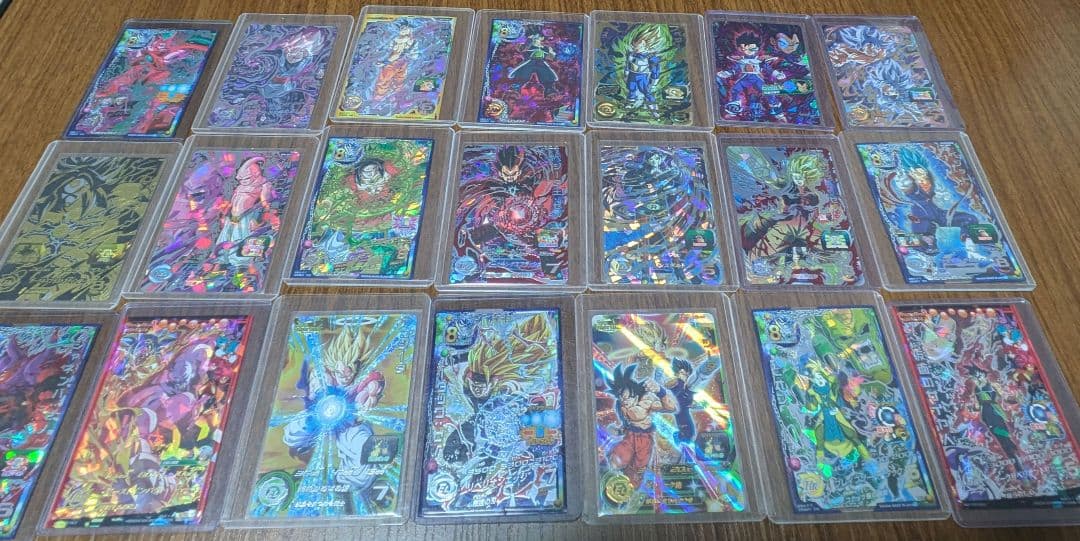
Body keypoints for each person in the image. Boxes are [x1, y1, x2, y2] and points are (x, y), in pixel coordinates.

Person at [606, 364, 677, 489]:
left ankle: (629, 489)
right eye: (621, 397)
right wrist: (619, 430)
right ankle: (614, 481)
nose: (624, 401)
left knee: (638, 469)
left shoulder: (646, 402)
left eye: (627, 397)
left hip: (644, 440)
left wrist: (660, 391)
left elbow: (671, 407)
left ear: (635, 395)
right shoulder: (621, 405)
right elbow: (627, 424)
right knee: (617, 459)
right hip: (630, 436)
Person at [508, 27, 558, 95]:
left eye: (537, 37)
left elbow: (551, 57)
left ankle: (549, 88)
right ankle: (517, 86)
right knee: (524, 72)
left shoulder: (545, 48)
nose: (535, 39)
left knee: (545, 72)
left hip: (541, 62)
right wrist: (528, 42)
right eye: (534, 37)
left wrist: (552, 54)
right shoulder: (527, 46)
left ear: (542, 38)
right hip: (530, 61)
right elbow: (521, 49)